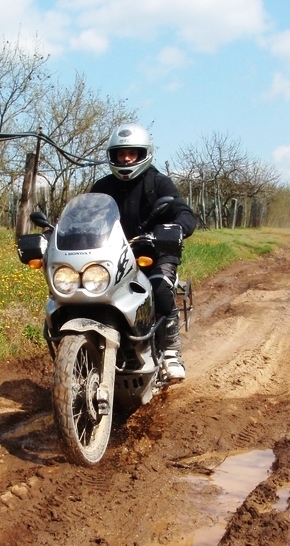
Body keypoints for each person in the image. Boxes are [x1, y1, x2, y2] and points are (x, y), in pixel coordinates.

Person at [90, 123, 196, 380]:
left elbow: (184, 213)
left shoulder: (158, 182)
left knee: (159, 289)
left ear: (143, 153)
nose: (126, 159)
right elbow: (85, 215)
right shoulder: (102, 187)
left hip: (156, 252)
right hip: (113, 255)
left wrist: (176, 230)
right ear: (112, 156)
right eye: (120, 154)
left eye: (132, 153)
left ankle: (171, 351)